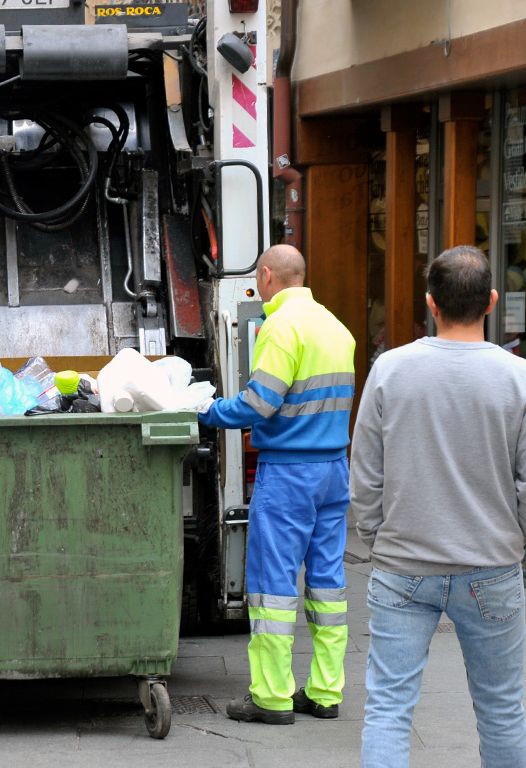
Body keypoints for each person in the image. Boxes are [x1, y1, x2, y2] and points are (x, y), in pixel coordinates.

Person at [351, 246, 526, 767]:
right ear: (492, 302)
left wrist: (377, 536)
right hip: (492, 566)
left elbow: (365, 474)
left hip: (403, 565)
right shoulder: (518, 378)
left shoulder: (390, 370)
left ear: (431, 303)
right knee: (503, 710)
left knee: (387, 707)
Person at [197, 244, 355, 725]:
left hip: (289, 473)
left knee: (272, 588)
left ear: (267, 276)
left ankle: (271, 697)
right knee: (328, 585)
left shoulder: (280, 327)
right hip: (333, 470)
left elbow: (258, 403)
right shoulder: (335, 325)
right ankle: (326, 692)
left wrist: (206, 410)